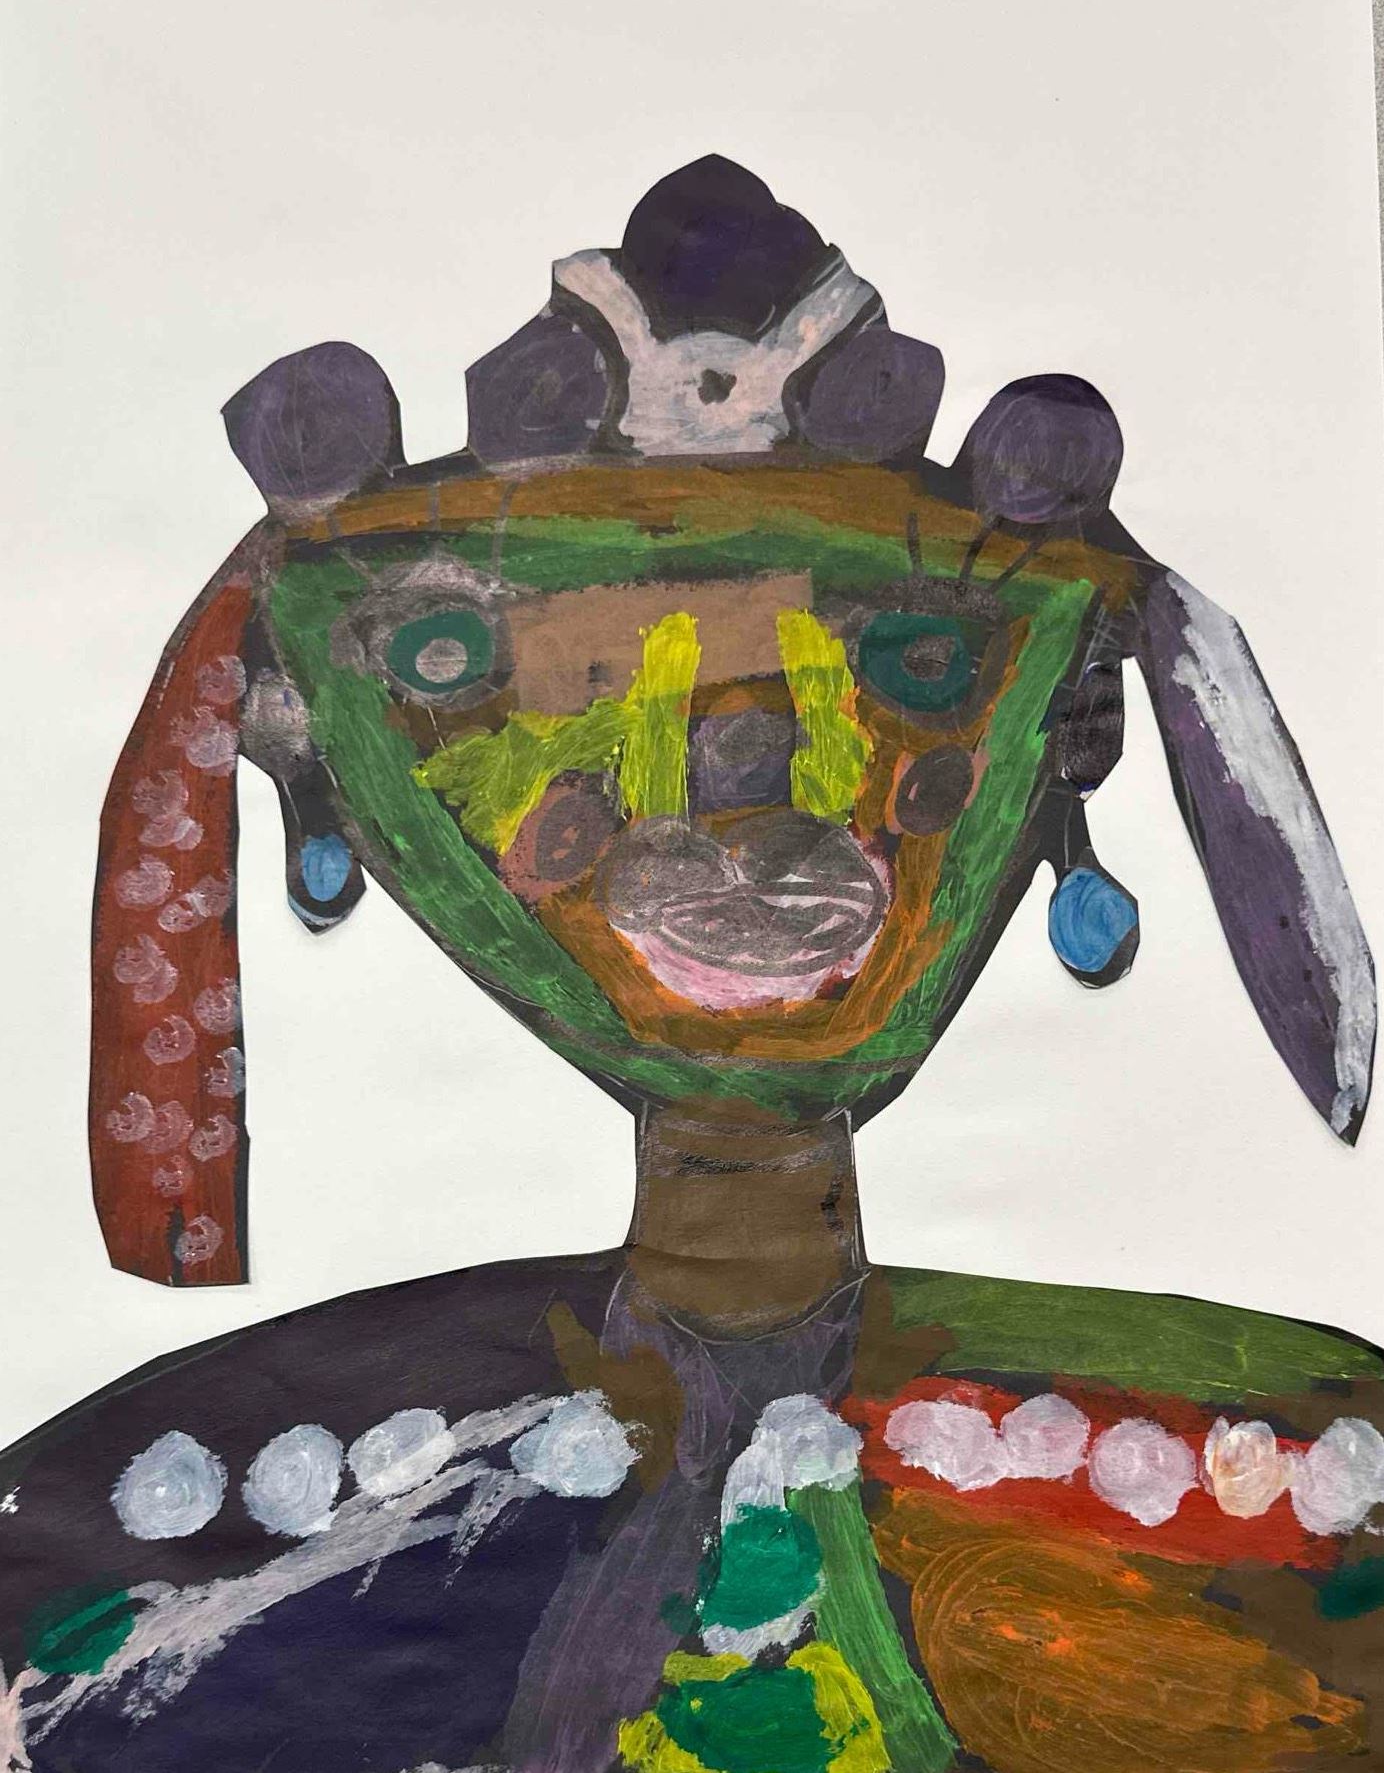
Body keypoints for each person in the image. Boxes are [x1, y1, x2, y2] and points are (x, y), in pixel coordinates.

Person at [1, 156, 1378, 1773]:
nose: (746, 798)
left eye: (914, 665)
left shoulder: (1308, 1510)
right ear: (342, 760)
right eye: (521, 679)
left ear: (1059, 729)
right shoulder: (139, 1567)